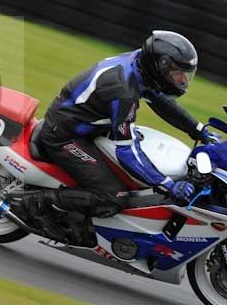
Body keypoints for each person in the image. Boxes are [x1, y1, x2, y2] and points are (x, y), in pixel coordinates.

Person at [25, 31, 214, 227]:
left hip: (85, 126)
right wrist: (168, 185)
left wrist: (198, 129)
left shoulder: (138, 64)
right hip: (64, 135)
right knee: (113, 196)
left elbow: (158, 100)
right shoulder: (123, 92)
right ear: (160, 66)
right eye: (178, 74)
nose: (182, 81)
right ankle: (35, 203)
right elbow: (127, 151)